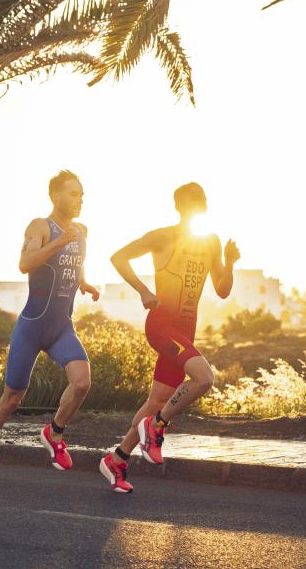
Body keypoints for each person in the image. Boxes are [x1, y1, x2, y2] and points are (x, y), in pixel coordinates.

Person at [99, 182, 238, 493]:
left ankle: (117, 459)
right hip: (162, 325)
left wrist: (230, 263)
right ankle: (157, 427)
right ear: (179, 206)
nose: (201, 203)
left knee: (157, 400)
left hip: (185, 330)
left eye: (203, 199)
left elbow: (222, 289)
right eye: (194, 200)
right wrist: (143, 290)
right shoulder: (162, 236)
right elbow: (118, 258)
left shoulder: (211, 242)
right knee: (204, 378)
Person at [0, 171, 100, 489]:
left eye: (81, 194)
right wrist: (58, 242)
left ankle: (54, 432)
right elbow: (25, 264)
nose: (79, 199)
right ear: (55, 196)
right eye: (73, 193)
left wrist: (84, 283)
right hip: (32, 326)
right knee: (12, 398)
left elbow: (75, 262)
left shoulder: (81, 232)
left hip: (61, 328)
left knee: (82, 383)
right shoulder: (40, 227)